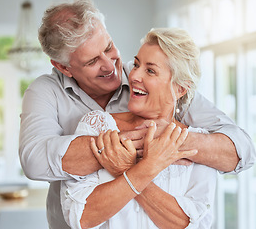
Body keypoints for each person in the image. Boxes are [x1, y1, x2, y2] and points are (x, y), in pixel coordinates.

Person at [19, 0, 255, 229]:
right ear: (63, 67)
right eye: (92, 61)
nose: (111, 65)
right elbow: (35, 161)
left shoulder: (161, 84)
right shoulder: (48, 94)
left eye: (109, 47)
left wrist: (177, 141)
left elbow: (241, 150)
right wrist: (140, 146)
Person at [61, 27, 217, 229]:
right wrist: (143, 171)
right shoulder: (97, 125)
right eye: (136, 64)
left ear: (180, 89)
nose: (133, 76)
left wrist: (127, 169)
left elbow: (189, 224)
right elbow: (81, 217)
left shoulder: (198, 144)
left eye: (150, 70)